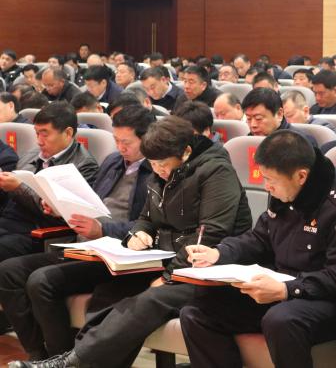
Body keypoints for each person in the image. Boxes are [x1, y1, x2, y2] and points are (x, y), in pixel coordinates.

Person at [10, 116, 252, 368]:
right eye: (153, 164)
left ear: (186, 152)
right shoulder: (163, 172)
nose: (158, 170)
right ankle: (75, 359)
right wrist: (139, 233)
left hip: (205, 269)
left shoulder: (216, 172)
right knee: (110, 292)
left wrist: (168, 277)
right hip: (166, 259)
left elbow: (210, 234)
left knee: (148, 299)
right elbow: (146, 217)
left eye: (162, 164)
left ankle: (70, 363)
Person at [179, 130, 336, 368]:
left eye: (270, 180)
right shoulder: (286, 189)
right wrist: (220, 252)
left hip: (330, 300)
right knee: (197, 311)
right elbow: (261, 238)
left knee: (281, 319)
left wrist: (287, 290)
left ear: (301, 176)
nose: (266, 187)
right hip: (281, 285)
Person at [0, 106, 155, 359]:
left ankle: (61, 358)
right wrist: (59, 208)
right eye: (116, 140)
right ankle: (38, 354)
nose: (119, 147)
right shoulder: (112, 161)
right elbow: (90, 203)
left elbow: (148, 225)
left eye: (126, 142)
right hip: (85, 244)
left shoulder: (156, 172)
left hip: (120, 252)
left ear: (147, 138)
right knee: (9, 271)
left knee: (41, 281)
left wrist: (103, 229)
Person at [0, 102, 99, 262]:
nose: (39, 141)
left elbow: (63, 215)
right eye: (37, 133)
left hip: (35, 231)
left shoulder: (84, 165)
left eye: (45, 134)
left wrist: (19, 187)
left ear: (68, 133)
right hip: (8, 221)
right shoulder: (32, 154)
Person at [241, 88, 317, 146]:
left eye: (258, 118)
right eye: (249, 119)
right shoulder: (246, 142)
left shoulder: (302, 142)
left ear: (279, 114)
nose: (253, 125)